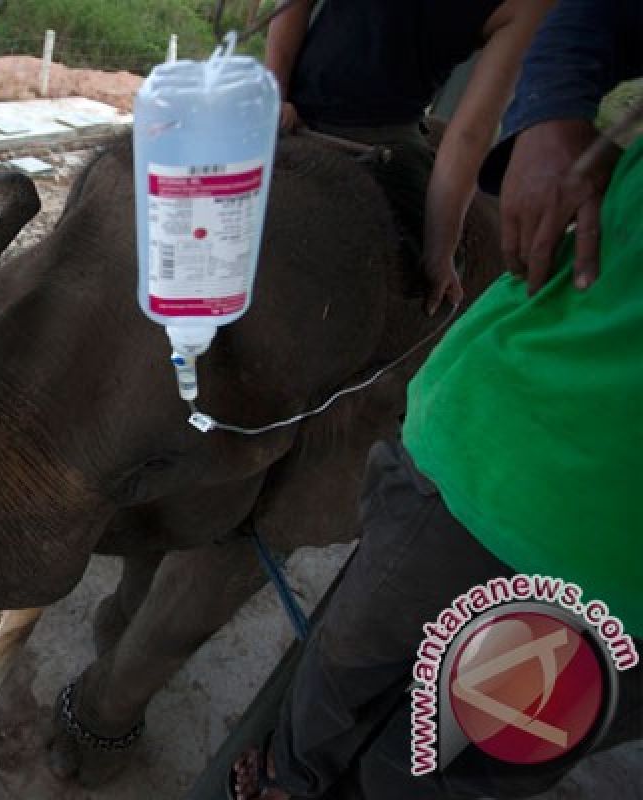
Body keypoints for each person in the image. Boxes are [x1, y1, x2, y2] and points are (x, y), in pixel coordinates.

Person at [229, 0, 643, 797]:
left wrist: (271, 97)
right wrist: (438, 257)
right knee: (470, 758)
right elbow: (461, 141)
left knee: (350, 656)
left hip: (283, 122)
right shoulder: (525, 5)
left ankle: (287, 776)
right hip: (386, 150)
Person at [264, 0, 552, 315]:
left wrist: (272, 96)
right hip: (377, 134)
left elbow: (291, 7)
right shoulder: (533, 6)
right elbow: (469, 134)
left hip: (293, 108)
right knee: (421, 294)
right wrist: (440, 253)